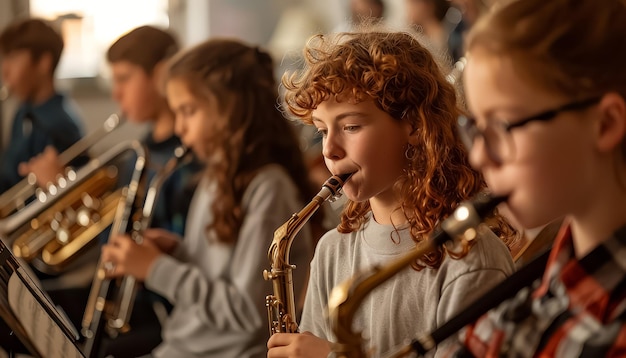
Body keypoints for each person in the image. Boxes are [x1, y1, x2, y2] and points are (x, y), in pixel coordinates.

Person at [267, 30, 516, 357]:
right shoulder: (332, 250)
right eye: (322, 130)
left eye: (351, 126)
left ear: (413, 126)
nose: (330, 150)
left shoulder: (472, 258)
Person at [100, 38, 319, 358]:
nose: (179, 127)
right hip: (182, 346)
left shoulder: (269, 189)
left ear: (231, 109)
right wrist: (178, 252)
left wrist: (157, 269)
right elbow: (217, 274)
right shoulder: (214, 177)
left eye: (188, 111)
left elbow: (247, 315)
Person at [440, 0, 626, 356]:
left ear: (605, 124)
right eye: (475, 128)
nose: (478, 155)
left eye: (502, 126)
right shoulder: (532, 293)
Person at [0, 18, 85, 193]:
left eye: (14, 58)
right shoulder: (23, 112)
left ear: (43, 63)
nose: (5, 71)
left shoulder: (61, 126)